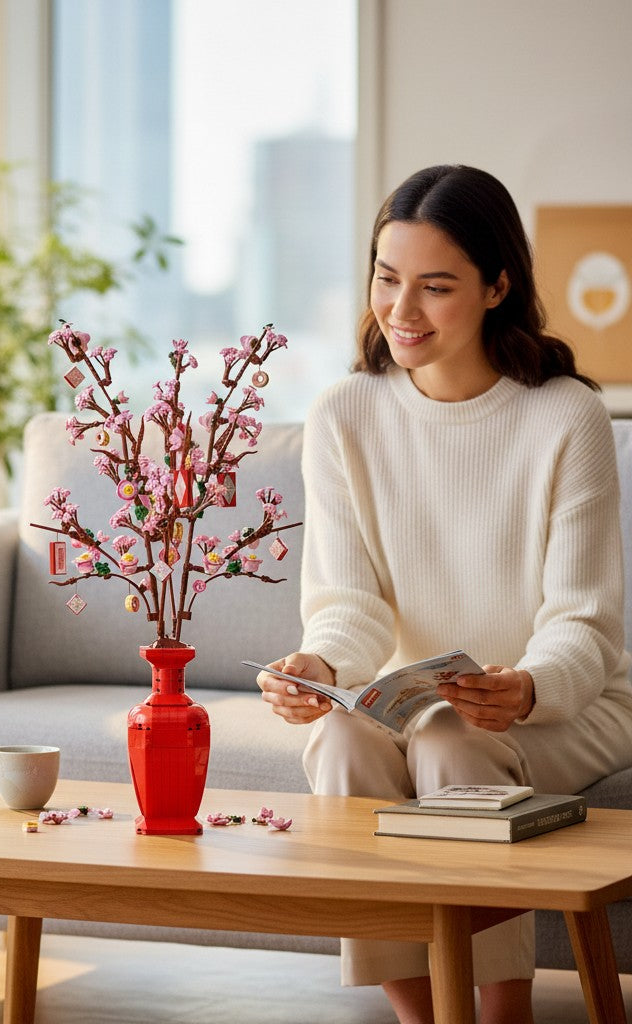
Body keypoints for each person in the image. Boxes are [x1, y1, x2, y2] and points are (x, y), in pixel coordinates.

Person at [256, 164, 632, 1024]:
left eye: (436, 286)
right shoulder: (344, 414)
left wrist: (527, 687)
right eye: (387, 278)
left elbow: (584, 621)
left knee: (452, 742)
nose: (402, 310)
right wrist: (321, 665)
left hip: (567, 703)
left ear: (498, 287)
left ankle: (501, 1013)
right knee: (343, 738)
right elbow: (350, 605)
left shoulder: (565, 415)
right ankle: (423, 1017)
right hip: (410, 701)